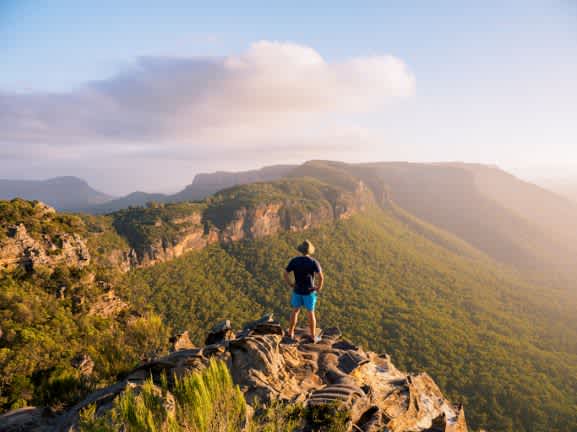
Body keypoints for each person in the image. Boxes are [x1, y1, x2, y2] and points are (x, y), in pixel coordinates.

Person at [283, 239, 324, 342]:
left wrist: (290, 284)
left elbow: (285, 273)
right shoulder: (313, 262)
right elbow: (321, 277)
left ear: (301, 250)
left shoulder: (294, 260)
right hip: (309, 291)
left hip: (297, 290)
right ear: (310, 251)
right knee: (310, 313)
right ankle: (313, 336)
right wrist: (318, 288)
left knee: (295, 311)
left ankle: (290, 333)